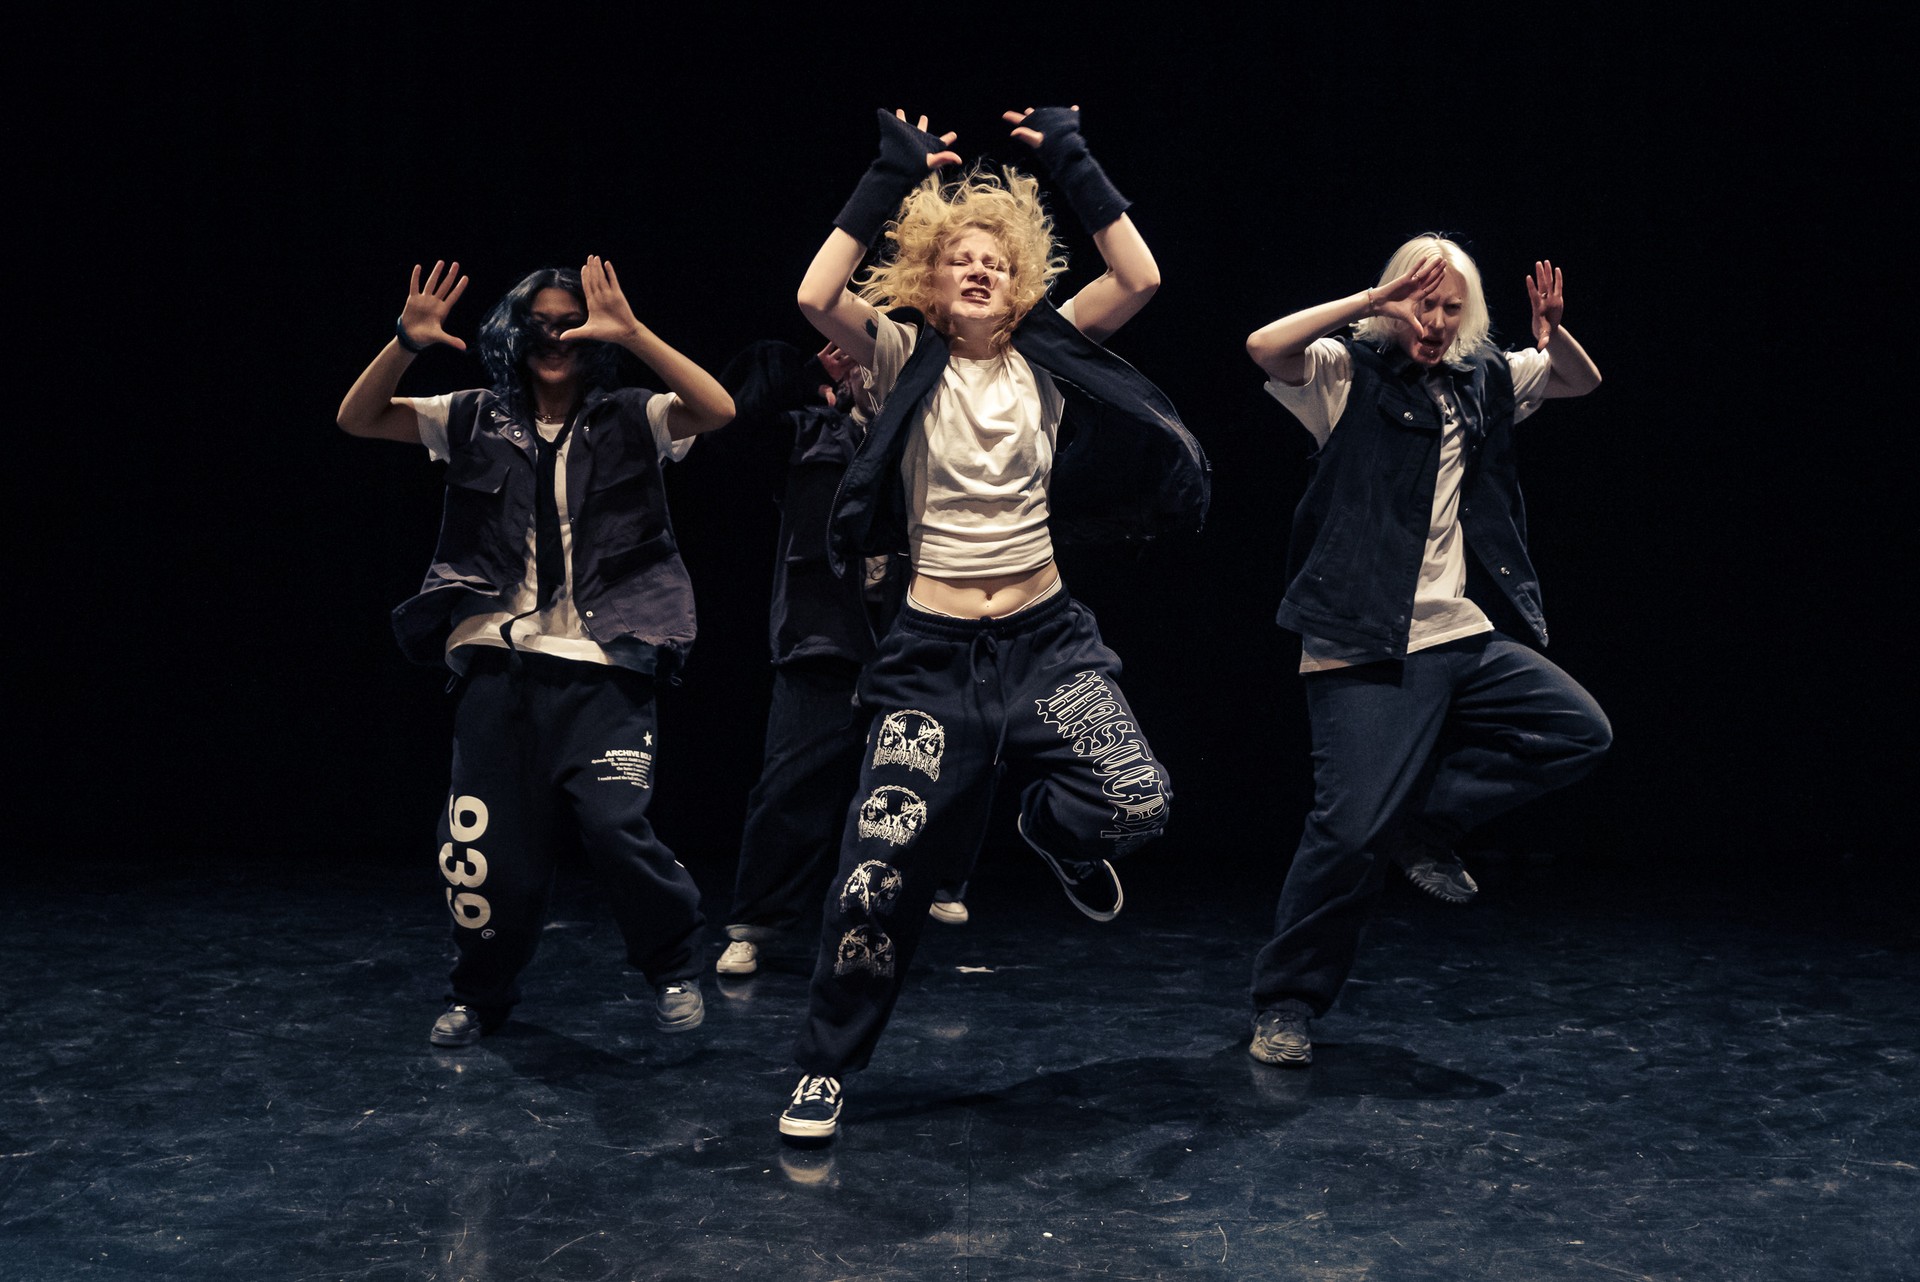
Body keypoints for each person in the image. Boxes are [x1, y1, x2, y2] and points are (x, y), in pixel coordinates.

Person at [777, 106, 1209, 1141]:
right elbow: (814, 297)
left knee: (1138, 799)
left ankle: (1054, 837)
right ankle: (826, 1066)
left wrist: (1073, 158)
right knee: (875, 876)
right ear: (928, 280)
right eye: (958, 260)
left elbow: (1141, 277)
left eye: (995, 262)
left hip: (1044, 642)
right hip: (930, 659)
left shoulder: (1048, 351)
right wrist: (887, 176)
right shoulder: (898, 353)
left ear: (1018, 282)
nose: (977, 271)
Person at [336, 256, 735, 1047]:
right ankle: (479, 995)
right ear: (513, 336)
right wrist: (405, 341)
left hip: (606, 667)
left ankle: (673, 965)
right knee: (485, 852)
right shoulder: (470, 415)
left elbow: (717, 409)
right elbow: (358, 417)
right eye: (538, 324)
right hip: (498, 664)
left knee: (616, 828)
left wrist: (634, 332)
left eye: (569, 325)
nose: (554, 338)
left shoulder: (634, 416)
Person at [1242, 235, 1613, 1068]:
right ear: (1392, 301)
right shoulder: (1345, 373)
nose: (1435, 322)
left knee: (1577, 730)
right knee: (1347, 835)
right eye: (1421, 303)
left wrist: (1552, 334)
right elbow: (1264, 346)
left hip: (1454, 632)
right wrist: (1370, 304)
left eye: (1451, 308)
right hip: (1358, 637)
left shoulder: (1483, 380)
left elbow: (1581, 380)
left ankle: (1425, 823)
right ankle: (1286, 1002)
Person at [712, 339, 972, 983]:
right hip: (821, 633)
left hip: (914, 633)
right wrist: (810, 375)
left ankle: (938, 882)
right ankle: (756, 924)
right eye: (859, 361)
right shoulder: (807, 431)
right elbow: (734, 422)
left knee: (936, 767)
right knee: (791, 784)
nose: (870, 372)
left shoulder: (934, 430)